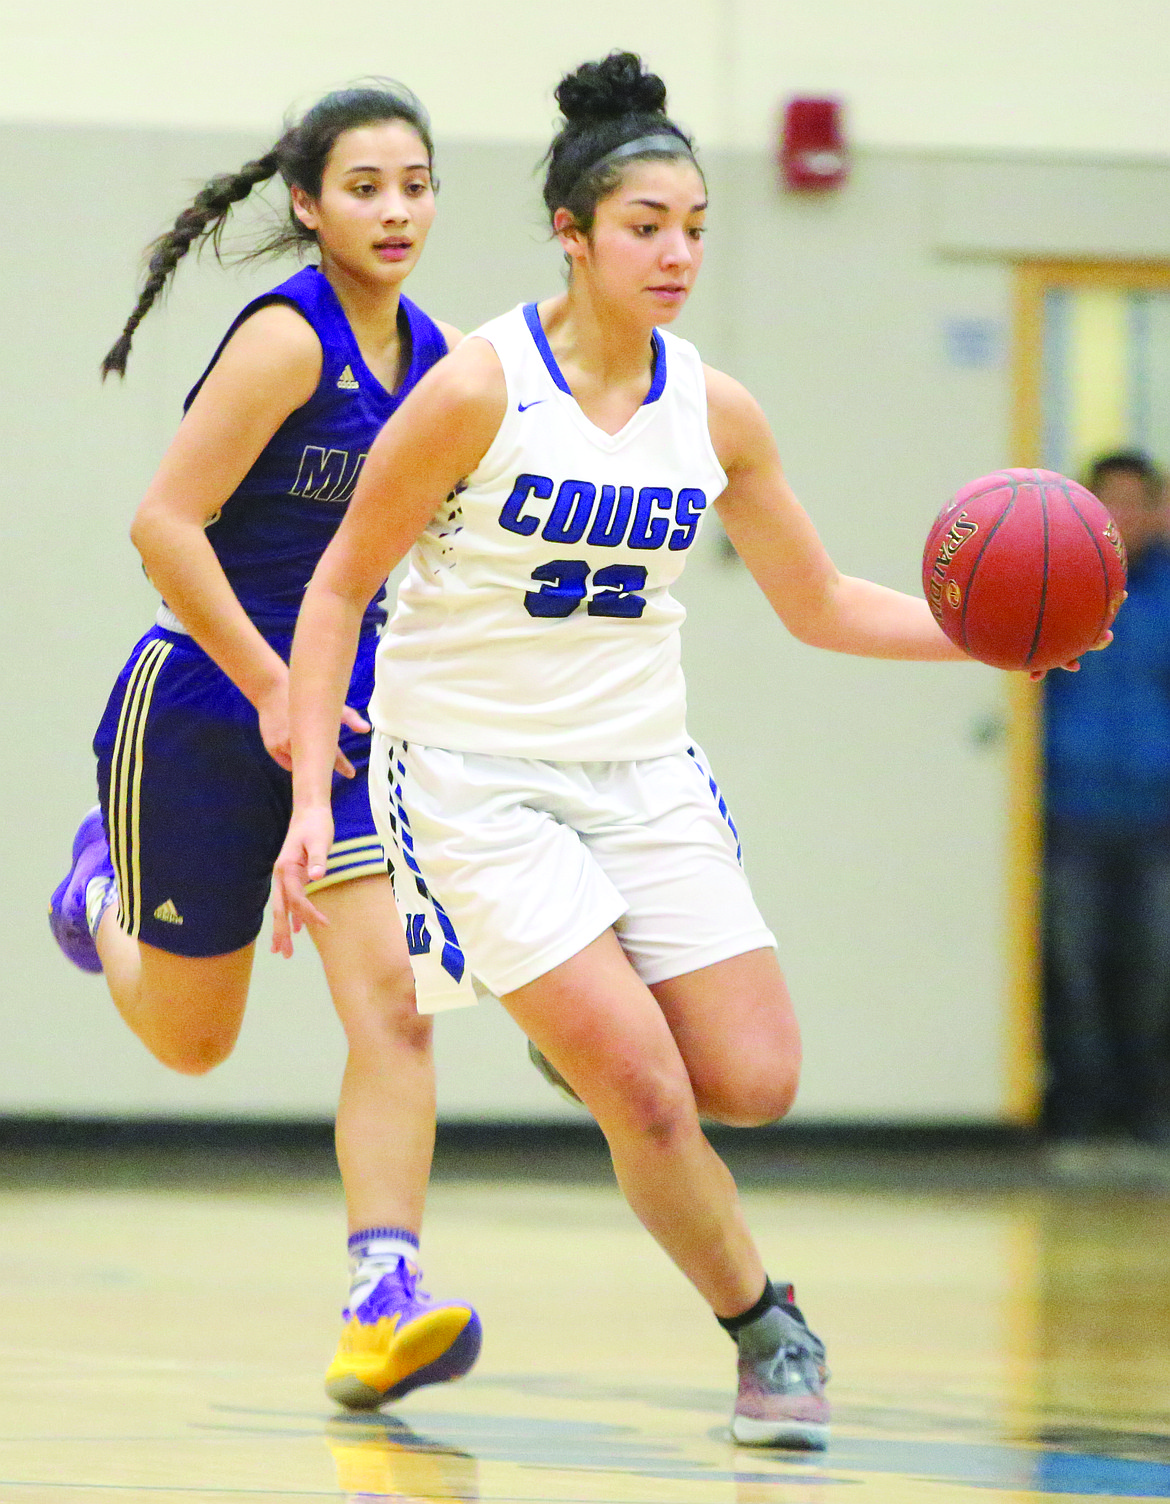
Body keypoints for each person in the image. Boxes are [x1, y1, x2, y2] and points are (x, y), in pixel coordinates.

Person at [270, 51, 1018, 1450]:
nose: (675, 253)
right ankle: (764, 1329)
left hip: (640, 771)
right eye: (644, 227)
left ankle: (589, 1043)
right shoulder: (476, 389)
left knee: (753, 1083)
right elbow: (333, 591)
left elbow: (820, 603)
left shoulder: (713, 411)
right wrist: (311, 797)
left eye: (693, 228)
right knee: (653, 1097)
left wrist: (990, 636)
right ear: (571, 231)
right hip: (470, 784)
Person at [47, 82, 481, 1408]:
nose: (395, 209)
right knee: (193, 1046)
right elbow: (164, 528)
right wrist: (270, 687)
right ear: (307, 204)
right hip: (199, 704)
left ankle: (379, 1295)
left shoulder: (447, 363)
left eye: (413, 183)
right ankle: (93, 895)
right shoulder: (286, 344)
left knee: (397, 1011)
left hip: (349, 731)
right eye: (365, 187)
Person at [1043, 450, 1170, 1148]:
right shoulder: (1049, 587)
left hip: (1156, 818)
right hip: (1071, 812)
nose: (1122, 518)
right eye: (1107, 502)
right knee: (1075, 966)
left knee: (1153, 970)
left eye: (1135, 502)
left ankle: (1147, 1111)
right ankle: (1079, 1112)